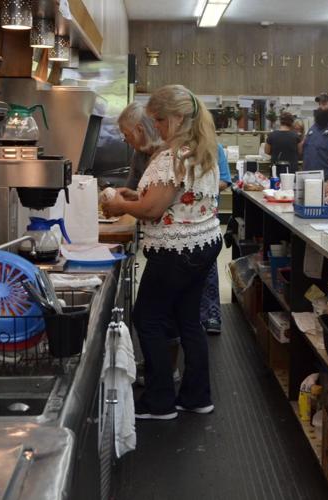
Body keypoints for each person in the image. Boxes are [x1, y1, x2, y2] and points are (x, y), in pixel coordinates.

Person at [101, 84, 222, 420]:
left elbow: (154, 210)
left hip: (175, 251)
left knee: (148, 319)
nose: (156, 127)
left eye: (159, 120)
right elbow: (171, 199)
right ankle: (197, 397)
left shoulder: (172, 156)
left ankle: (159, 402)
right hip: (203, 245)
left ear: (178, 118)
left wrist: (118, 204)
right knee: (188, 321)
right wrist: (133, 196)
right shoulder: (203, 151)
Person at [199, 144, 231, 336]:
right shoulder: (171, 147)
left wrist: (196, 185)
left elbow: (225, 181)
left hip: (206, 219)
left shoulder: (213, 147)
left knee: (208, 267)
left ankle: (212, 315)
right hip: (176, 224)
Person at [119, 102, 166, 189]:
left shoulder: (166, 157)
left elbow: (154, 201)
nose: (125, 140)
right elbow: (130, 188)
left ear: (140, 130)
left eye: (126, 134)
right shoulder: (139, 155)